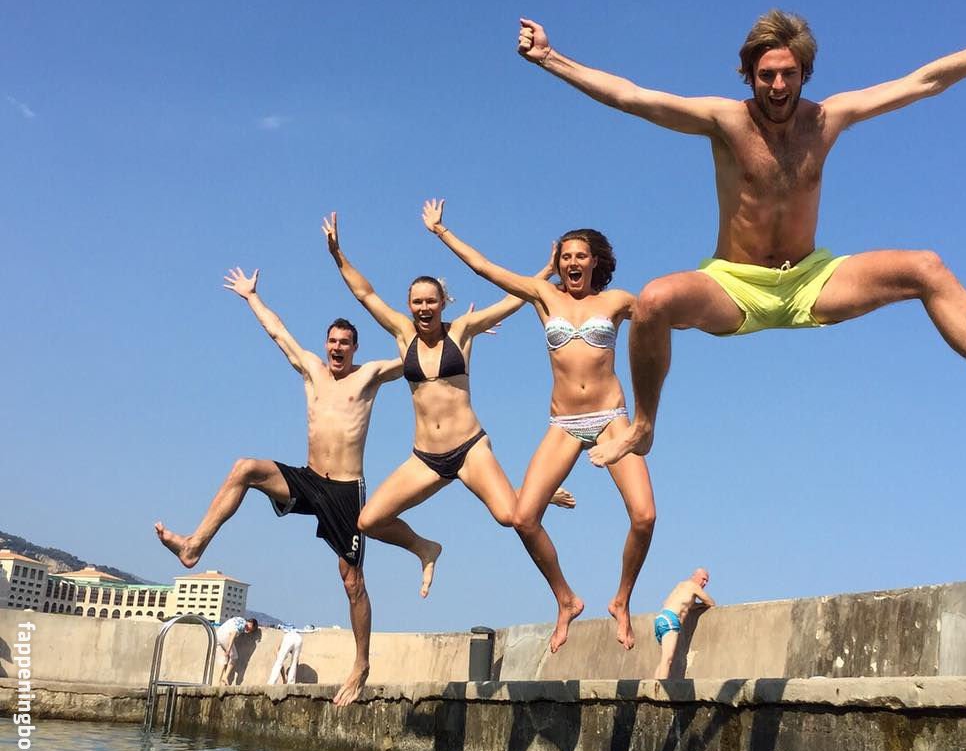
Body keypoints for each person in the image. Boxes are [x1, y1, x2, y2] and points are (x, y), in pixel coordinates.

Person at [518, 0, 966, 464]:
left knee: (927, 268)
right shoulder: (725, 121)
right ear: (749, 76)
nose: (778, 85)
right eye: (766, 75)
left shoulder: (827, 118)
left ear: (805, 74)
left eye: (788, 74)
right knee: (654, 301)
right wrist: (550, 58)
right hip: (734, 283)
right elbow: (632, 97)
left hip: (810, 278)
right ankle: (642, 427)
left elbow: (927, 81)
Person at [155, 267, 401, 706]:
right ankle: (193, 546)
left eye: (345, 342)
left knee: (352, 582)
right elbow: (278, 332)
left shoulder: (370, 376)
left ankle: (361, 663)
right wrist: (252, 297)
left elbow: (418, 356)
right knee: (245, 468)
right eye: (332, 341)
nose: (337, 348)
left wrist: (459, 334)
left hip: (346, 490)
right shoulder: (311, 369)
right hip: (308, 479)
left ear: (355, 347)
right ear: (326, 344)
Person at [424, 198, 655, 653]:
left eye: (580, 256)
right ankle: (566, 599)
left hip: (611, 418)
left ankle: (621, 599)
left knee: (645, 517)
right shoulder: (543, 295)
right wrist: (442, 231)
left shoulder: (617, 301)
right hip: (564, 422)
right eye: (566, 256)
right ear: (558, 262)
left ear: (595, 262)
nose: (572, 262)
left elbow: (666, 314)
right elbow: (485, 268)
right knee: (524, 518)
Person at [323, 212, 573, 599]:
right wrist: (338, 255)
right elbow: (365, 294)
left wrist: (547, 270)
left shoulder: (462, 331)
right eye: (417, 302)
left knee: (510, 517)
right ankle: (425, 548)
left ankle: (531, 492)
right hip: (426, 458)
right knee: (369, 520)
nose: (424, 308)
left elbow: (514, 299)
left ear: (442, 303)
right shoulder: (402, 333)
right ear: (409, 306)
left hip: (469, 448)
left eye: (431, 301)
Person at [653, 570, 714, 680]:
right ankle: (662, 689)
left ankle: (654, 686)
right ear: (695, 576)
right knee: (668, 660)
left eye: (707, 581)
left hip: (661, 618)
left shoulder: (681, 585)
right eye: (703, 579)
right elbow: (710, 602)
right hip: (671, 620)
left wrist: (696, 606)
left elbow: (668, 602)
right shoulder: (694, 587)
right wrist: (702, 605)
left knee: (663, 660)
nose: (705, 583)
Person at [216, 615, 258, 685]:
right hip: (226, 636)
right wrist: (229, 648)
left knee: (225, 659)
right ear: (251, 624)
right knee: (234, 657)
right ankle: (225, 677)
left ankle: (219, 680)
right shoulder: (243, 624)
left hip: (218, 634)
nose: (249, 631)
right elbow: (233, 633)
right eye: (252, 629)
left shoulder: (239, 619)